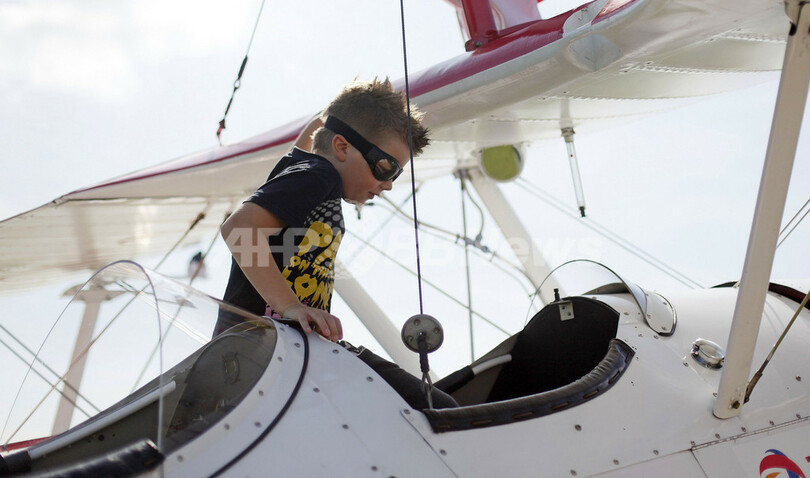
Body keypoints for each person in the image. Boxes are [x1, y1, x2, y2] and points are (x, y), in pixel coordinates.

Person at [213, 78, 456, 409]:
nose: (387, 184)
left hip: (277, 355)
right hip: (266, 356)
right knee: (435, 408)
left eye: (396, 175)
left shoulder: (303, 171)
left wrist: (339, 114)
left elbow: (313, 132)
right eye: (386, 167)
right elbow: (240, 229)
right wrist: (291, 306)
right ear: (341, 147)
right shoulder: (319, 175)